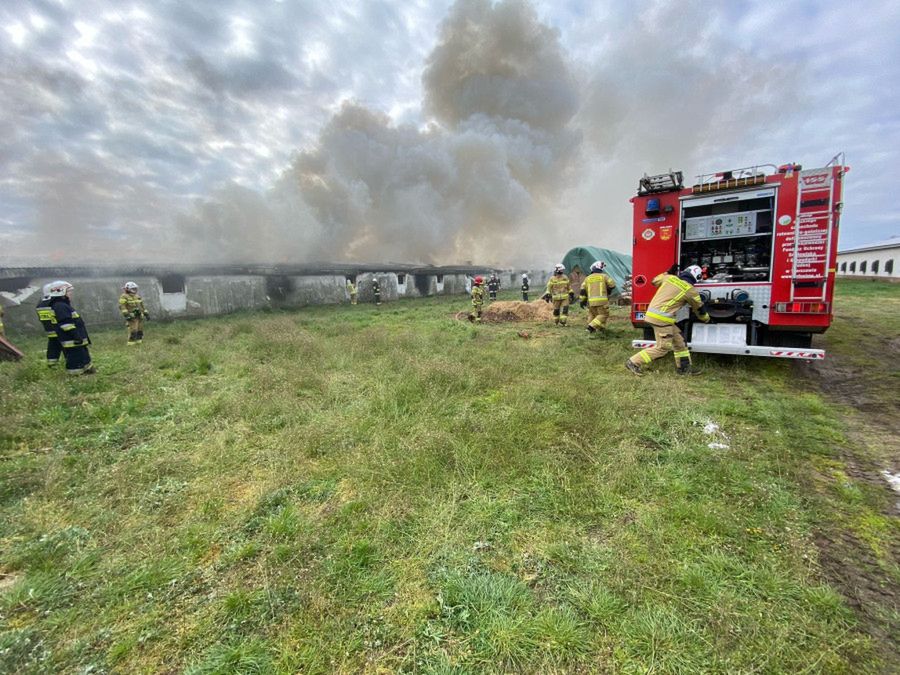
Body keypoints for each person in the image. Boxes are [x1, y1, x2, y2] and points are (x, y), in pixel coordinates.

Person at [626, 264, 710, 376]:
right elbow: (699, 309)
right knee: (663, 348)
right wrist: (706, 319)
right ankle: (633, 362)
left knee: (679, 341)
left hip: (655, 316)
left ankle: (684, 369)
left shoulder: (670, 278)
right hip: (662, 319)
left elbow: (654, 281)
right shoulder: (690, 290)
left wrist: (667, 272)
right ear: (697, 277)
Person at [48, 280, 95, 375]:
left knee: (83, 355)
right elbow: (66, 324)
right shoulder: (60, 306)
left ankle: (87, 370)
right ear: (61, 292)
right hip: (72, 340)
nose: (71, 294)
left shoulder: (62, 305)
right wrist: (76, 336)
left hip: (76, 340)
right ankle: (75, 375)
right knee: (75, 358)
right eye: (69, 292)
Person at [579, 261, 617, 336]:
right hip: (601, 302)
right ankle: (590, 327)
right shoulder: (604, 276)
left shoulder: (587, 278)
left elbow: (583, 291)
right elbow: (612, 285)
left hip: (590, 302)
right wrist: (608, 290)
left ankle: (599, 330)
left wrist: (582, 301)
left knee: (593, 315)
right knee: (603, 315)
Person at [35, 283, 62, 367]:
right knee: (66, 347)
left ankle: (52, 363)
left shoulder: (41, 304)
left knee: (53, 346)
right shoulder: (55, 302)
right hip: (59, 329)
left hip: (49, 330)